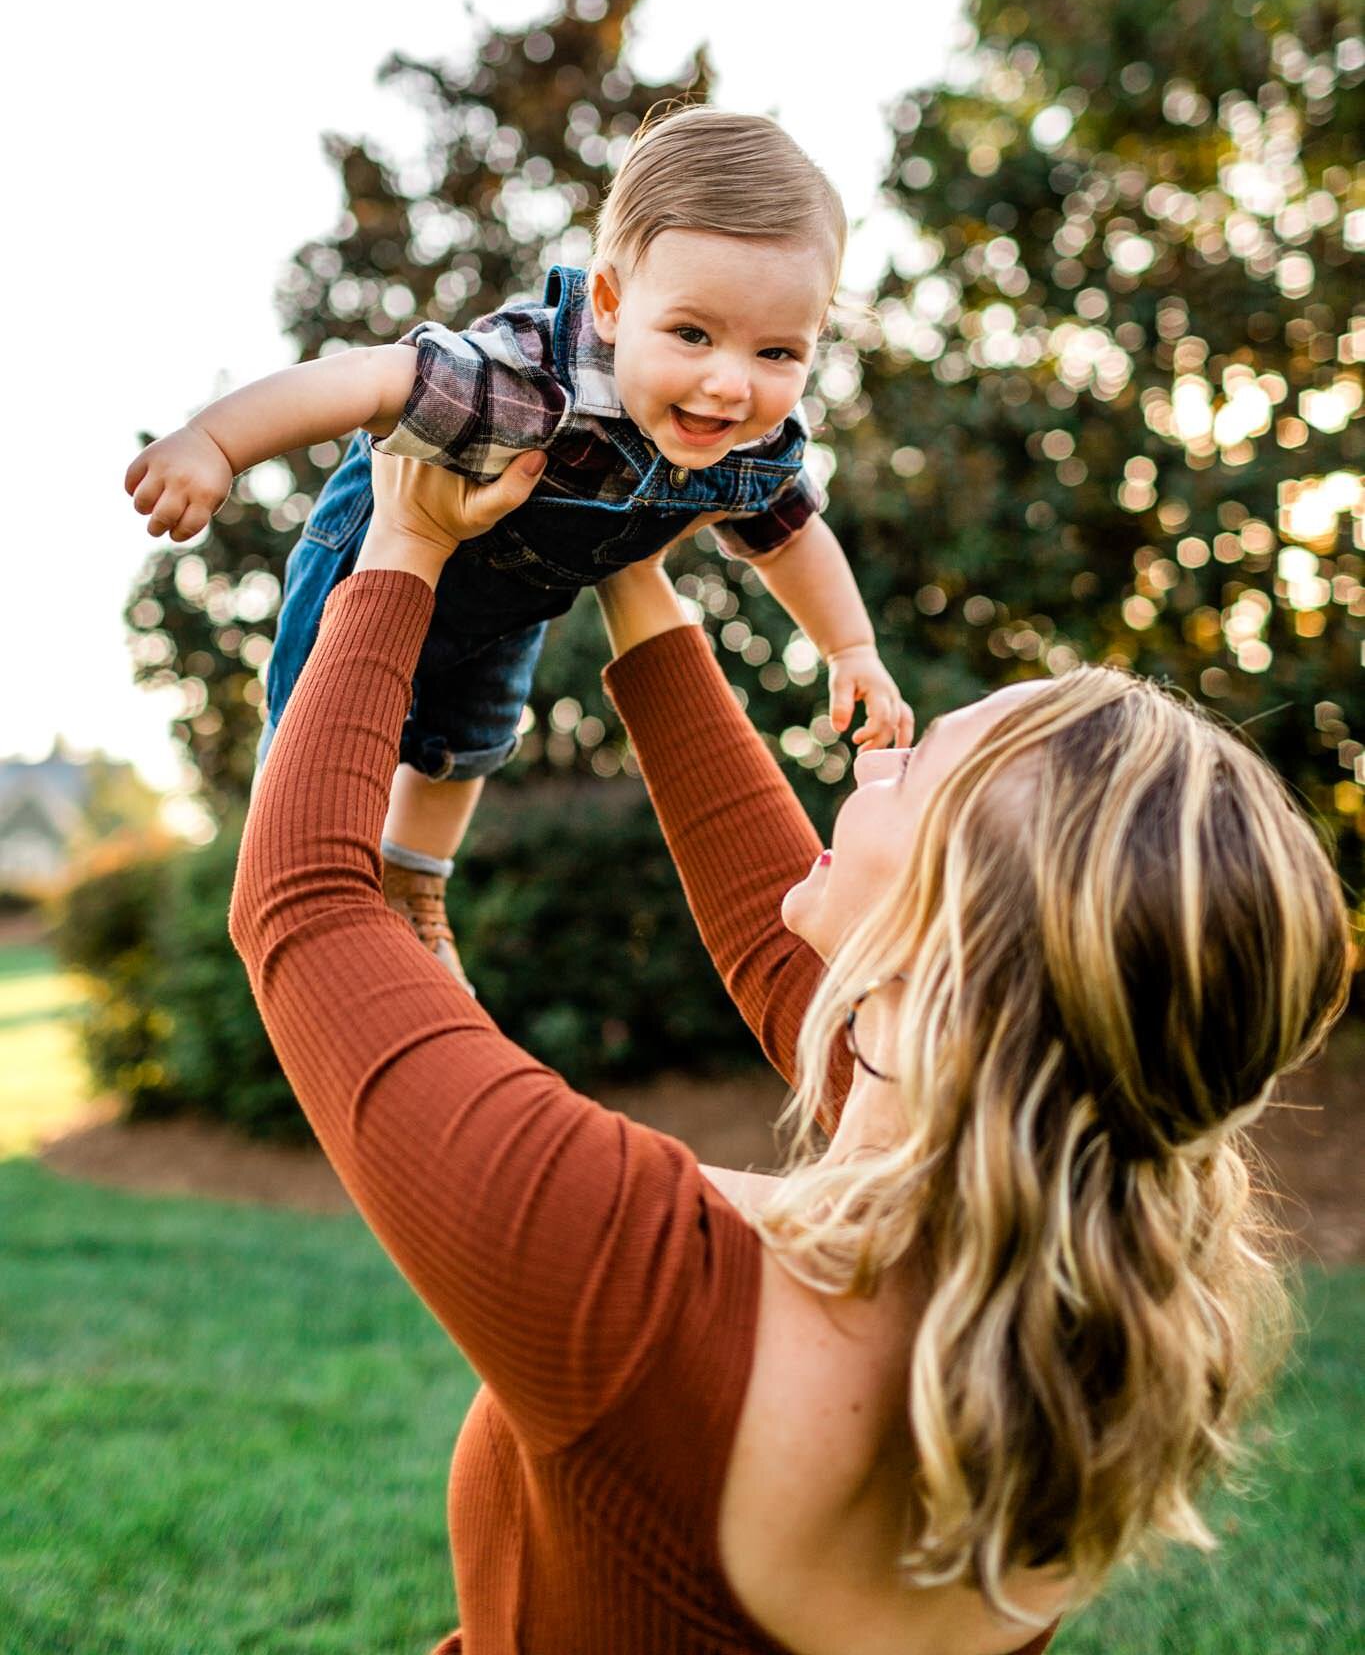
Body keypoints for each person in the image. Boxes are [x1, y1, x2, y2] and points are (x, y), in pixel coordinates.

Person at [229, 447, 1351, 1655]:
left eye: (911, 766)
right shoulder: (1071, 1347)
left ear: (935, 953)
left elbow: (306, 903)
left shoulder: (641, 1283)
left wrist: (401, 542)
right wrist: (633, 574)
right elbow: (791, 949)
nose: (875, 758)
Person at [130, 107, 910, 986]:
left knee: (474, 741)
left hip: (508, 603)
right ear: (611, 303)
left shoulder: (758, 444)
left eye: (777, 351)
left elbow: (787, 533)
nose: (729, 383)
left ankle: (414, 889)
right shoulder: (525, 385)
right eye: (691, 334)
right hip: (374, 558)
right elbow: (371, 378)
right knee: (318, 725)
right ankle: (297, 873)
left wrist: (849, 648)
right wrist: (214, 443)